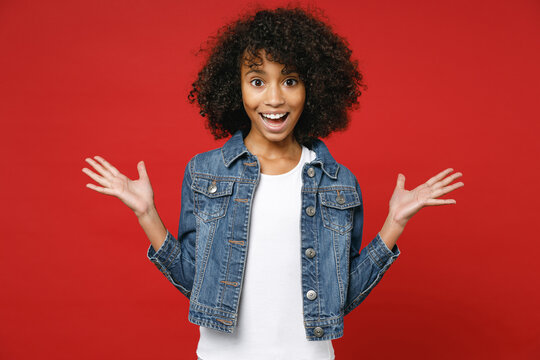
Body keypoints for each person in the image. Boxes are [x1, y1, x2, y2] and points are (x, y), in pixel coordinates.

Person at [82, 6, 464, 360]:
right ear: (237, 89)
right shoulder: (205, 172)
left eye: (291, 80)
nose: (275, 98)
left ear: (311, 88)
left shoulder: (338, 183)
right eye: (257, 81)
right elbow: (196, 284)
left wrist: (394, 224)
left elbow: (339, 298)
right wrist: (147, 214)